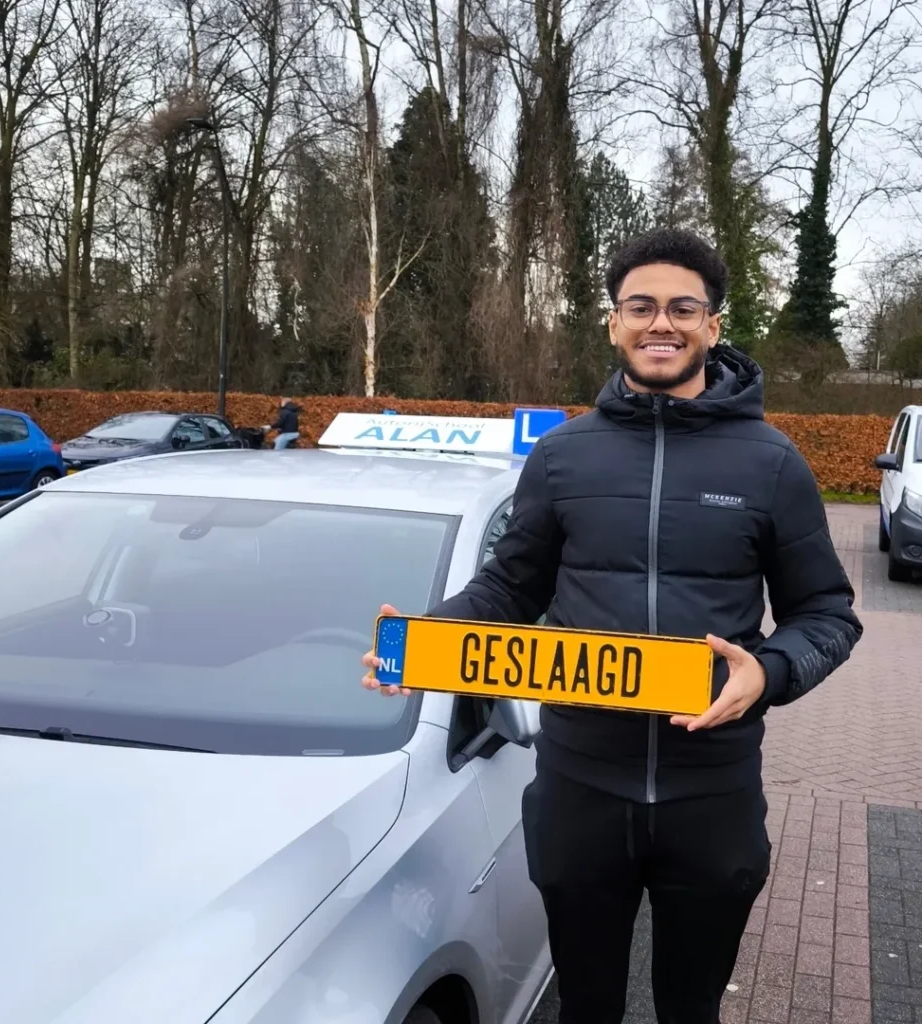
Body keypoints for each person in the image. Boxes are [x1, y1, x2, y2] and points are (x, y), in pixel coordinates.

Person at [361, 227, 863, 1024]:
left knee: (688, 1008)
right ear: (613, 322)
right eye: (642, 306)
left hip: (713, 792)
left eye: (681, 308)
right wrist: (424, 637)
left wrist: (768, 671)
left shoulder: (772, 463)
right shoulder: (564, 457)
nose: (661, 323)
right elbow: (507, 587)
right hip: (580, 790)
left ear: (712, 325)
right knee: (586, 1004)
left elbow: (828, 613)